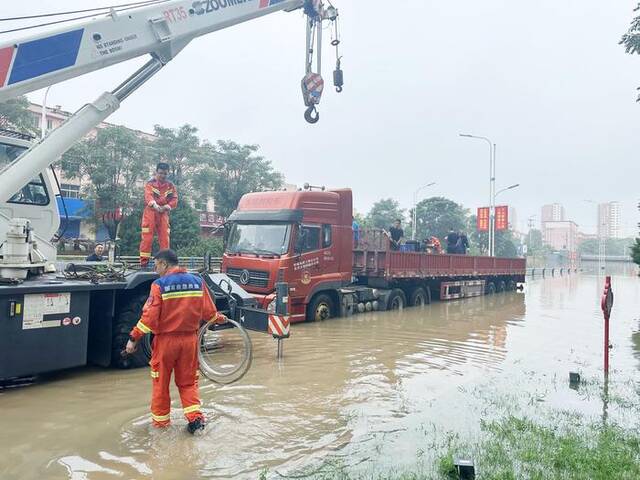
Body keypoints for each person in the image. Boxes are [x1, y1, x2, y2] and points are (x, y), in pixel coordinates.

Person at [125, 249, 226, 434]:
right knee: (188, 383)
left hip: (166, 343)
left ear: (164, 263)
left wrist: (133, 338)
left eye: (156, 265)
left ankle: (160, 428)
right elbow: (209, 313)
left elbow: (149, 318)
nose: (156, 270)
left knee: (161, 384)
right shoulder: (197, 282)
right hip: (190, 341)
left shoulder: (159, 285)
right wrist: (219, 318)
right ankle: (196, 421)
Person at [139, 163, 178, 267]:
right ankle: (144, 264)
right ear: (156, 172)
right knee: (147, 238)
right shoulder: (150, 183)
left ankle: (164, 264)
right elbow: (148, 197)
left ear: (167, 173)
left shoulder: (170, 186)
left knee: (165, 239)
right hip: (150, 212)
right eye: (160, 173)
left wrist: (167, 207)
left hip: (163, 213)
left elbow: (174, 199)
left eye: (165, 174)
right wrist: (155, 206)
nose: (162, 176)